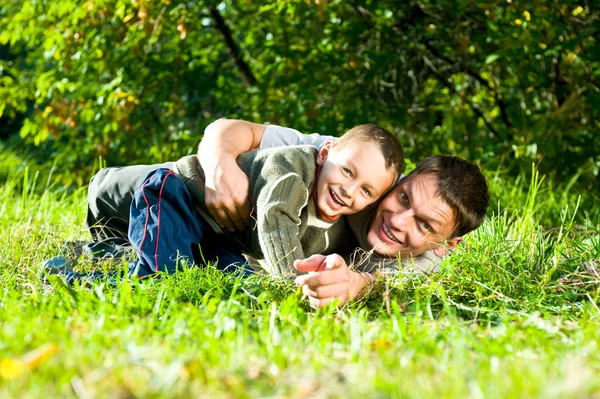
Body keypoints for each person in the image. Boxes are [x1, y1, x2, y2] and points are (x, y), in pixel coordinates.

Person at [82, 119, 488, 305]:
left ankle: (103, 257)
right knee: (129, 197)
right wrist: (222, 166)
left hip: (219, 233)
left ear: (446, 243)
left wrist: (357, 285)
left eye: (424, 224)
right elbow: (227, 129)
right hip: (173, 189)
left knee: (205, 264)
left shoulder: (427, 263)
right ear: (402, 182)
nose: (398, 221)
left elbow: (391, 289)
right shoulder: (349, 160)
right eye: (403, 199)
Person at [55, 124, 402, 283]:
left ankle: (90, 254)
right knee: (169, 272)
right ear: (325, 152)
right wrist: (292, 281)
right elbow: (274, 219)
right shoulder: (291, 166)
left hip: (218, 236)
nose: (349, 191)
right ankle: (68, 276)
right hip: (179, 197)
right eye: (347, 171)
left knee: (232, 277)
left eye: (367, 192)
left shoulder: (341, 220)